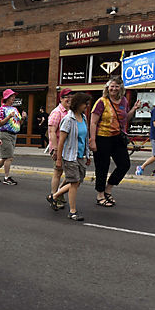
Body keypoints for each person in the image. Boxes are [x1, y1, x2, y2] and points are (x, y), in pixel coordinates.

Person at [89, 77, 140, 207]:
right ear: (107, 87)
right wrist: (92, 140)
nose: (114, 88)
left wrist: (133, 109)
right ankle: (100, 194)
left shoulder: (124, 101)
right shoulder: (101, 102)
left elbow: (124, 119)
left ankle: (108, 189)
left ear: (121, 88)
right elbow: (93, 122)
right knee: (102, 167)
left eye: (117, 86)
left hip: (117, 138)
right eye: (112, 86)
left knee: (124, 164)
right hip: (102, 138)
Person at [49, 92, 91, 221]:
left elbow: (85, 137)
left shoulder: (83, 118)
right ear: (78, 104)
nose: (87, 106)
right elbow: (61, 141)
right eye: (86, 104)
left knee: (78, 181)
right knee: (74, 183)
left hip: (80, 156)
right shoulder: (68, 119)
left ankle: (54, 196)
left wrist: (88, 155)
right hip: (70, 156)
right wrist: (59, 160)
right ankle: (72, 211)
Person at [0, 88, 26, 185]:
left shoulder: (14, 109)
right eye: (12, 96)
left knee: (5, 157)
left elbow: (19, 123)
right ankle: (6, 177)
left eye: (14, 96)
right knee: (9, 157)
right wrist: (9, 117)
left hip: (13, 135)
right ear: (7, 98)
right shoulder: (2, 109)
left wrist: (23, 118)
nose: (14, 98)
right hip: (5, 134)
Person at [47, 89, 73, 210]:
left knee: (70, 174)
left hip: (69, 149)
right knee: (58, 172)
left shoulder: (70, 112)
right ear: (61, 98)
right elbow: (52, 131)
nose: (69, 99)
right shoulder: (57, 112)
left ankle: (60, 193)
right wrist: (55, 149)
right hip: (59, 148)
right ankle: (54, 197)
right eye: (66, 97)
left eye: (71, 97)